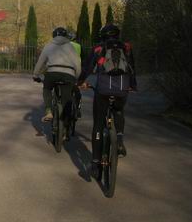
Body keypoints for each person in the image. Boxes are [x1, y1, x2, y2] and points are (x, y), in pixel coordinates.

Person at [77, 23, 137, 178]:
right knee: (118, 110)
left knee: (98, 123)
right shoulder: (126, 47)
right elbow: (132, 68)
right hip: (122, 90)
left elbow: (87, 68)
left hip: (103, 90)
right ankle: (120, 141)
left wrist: (80, 82)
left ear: (103, 36)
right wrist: (133, 86)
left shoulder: (98, 48)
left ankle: (96, 162)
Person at [32, 26, 83, 126]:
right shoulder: (70, 46)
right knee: (67, 99)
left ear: (53, 35)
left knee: (47, 89)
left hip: (52, 73)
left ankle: (49, 111)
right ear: (66, 36)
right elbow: (77, 64)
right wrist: (76, 77)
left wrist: (35, 74)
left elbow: (40, 62)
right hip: (68, 75)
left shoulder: (49, 46)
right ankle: (65, 125)